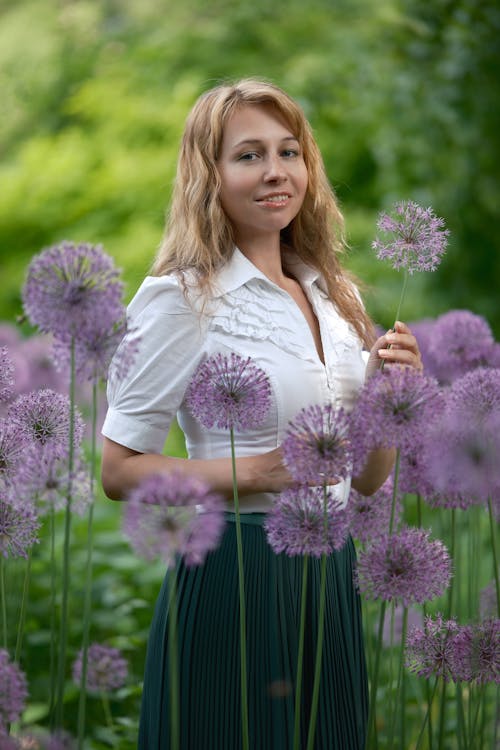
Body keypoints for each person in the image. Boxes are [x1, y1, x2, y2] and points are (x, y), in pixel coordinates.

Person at [101, 79, 422, 749]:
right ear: (208, 176)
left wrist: (392, 395)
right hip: (231, 575)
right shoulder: (180, 298)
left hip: (328, 575)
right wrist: (259, 472)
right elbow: (119, 469)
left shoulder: (335, 300)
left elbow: (364, 479)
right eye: (248, 155)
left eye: (289, 151)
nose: (276, 171)